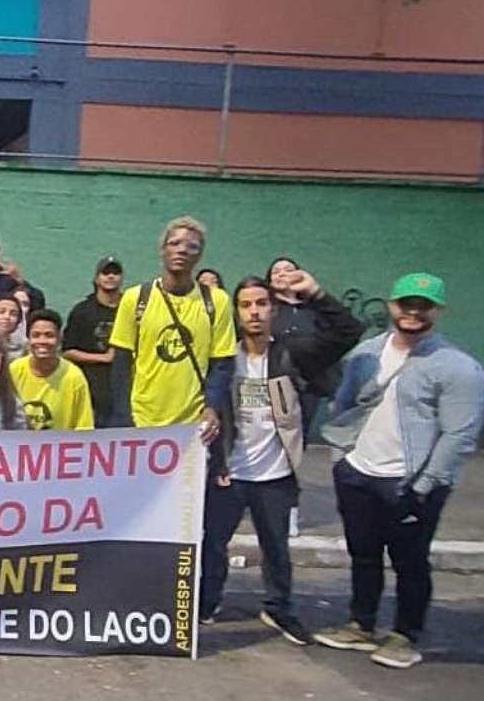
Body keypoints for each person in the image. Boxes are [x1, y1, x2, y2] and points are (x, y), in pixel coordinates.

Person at [313, 273, 484, 669]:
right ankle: (361, 624)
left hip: (410, 482)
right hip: (358, 473)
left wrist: (424, 485)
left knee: (410, 562)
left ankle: (406, 635)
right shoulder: (367, 352)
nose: (414, 312)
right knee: (364, 554)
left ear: (438, 311)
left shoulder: (458, 367)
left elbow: (460, 435)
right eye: (406, 303)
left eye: (424, 306)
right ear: (392, 305)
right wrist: (343, 457)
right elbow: (344, 403)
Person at [199, 274, 362, 645]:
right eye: (245, 305)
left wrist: (315, 294)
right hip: (229, 472)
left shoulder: (291, 353)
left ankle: (279, 609)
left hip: (275, 473)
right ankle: (206, 603)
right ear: (236, 312)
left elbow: (348, 332)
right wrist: (215, 463)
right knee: (213, 544)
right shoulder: (223, 360)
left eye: (261, 303)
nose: (254, 312)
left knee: (276, 548)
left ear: (274, 309)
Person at [109, 216, 235, 439]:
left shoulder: (217, 301)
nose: (182, 250)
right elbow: (121, 363)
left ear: (200, 255)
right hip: (142, 420)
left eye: (192, 246)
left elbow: (222, 363)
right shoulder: (135, 298)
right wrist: (124, 417)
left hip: (193, 425)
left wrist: (212, 407)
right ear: (162, 250)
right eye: (175, 243)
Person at [267, 256, 363, 436]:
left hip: (308, 389)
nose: (282, 274)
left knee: (295, 443)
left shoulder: (317, 309)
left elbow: (351, 331)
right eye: (276, 271)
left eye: (288, 270)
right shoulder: (265, 310)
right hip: (269, 389)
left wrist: (316, 293)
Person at [63, 256, 123, 428]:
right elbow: (67, 351)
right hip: (92, 393)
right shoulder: (82, 311)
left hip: (125, 391)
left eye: (115, 273)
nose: (110, 276)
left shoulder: (130, 308)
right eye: (105, 272)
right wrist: (103, 358)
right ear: (97, 278)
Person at [9, 310, 94, 430]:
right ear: (28, 339)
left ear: (60, 339)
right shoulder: (14, 370)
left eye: (49, 335)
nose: (42, 341)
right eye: (36, 335)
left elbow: (84, 427)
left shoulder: (74, 376)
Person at [0, 293, 28, 359]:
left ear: (19, 320)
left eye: (13, 314)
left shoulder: (26, 348)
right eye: (1, 312)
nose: (7, 317)